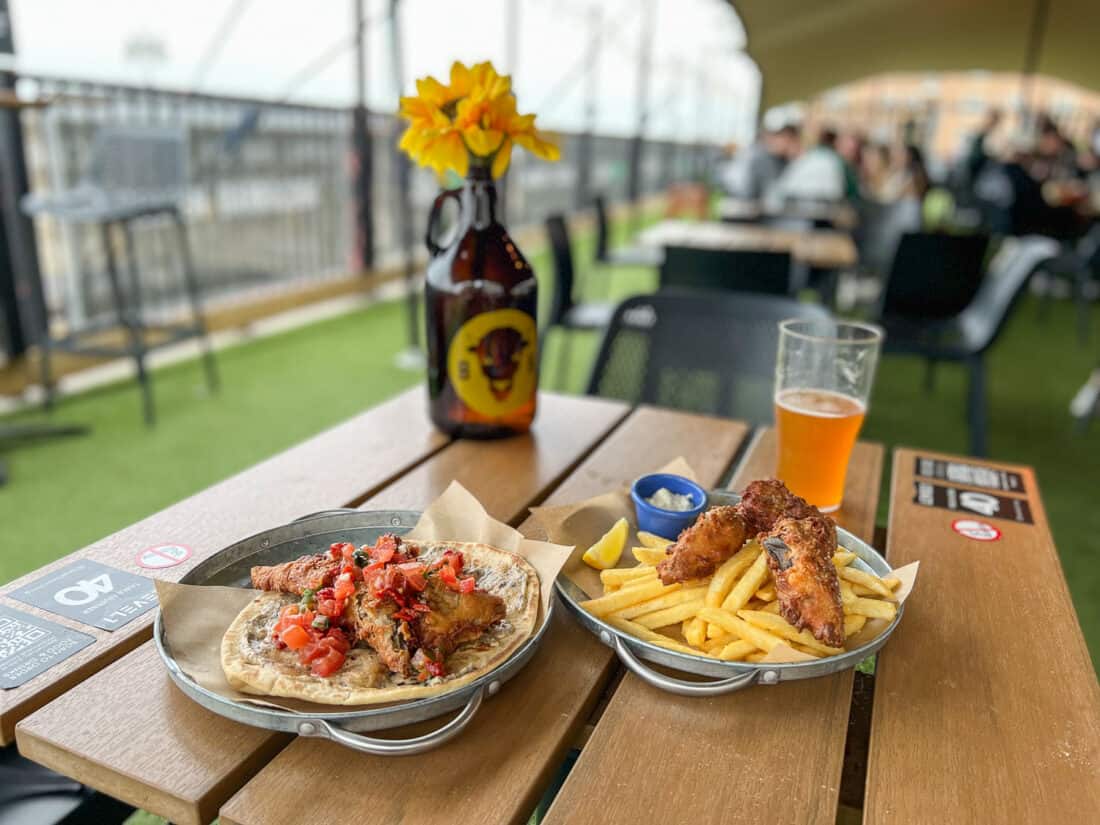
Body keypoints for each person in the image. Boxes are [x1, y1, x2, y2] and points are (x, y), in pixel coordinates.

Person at [766, 126, 850, 203]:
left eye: (776, 136)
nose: (770, 142)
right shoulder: (791, 165)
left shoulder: (821, 162)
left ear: (787, 137)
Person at [721, 124, 798, 199]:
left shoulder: (781, 159)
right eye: (780, 136)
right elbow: (772, 195)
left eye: (790, 137)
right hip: (744, 204)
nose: (785, 141)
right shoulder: (760, 157)